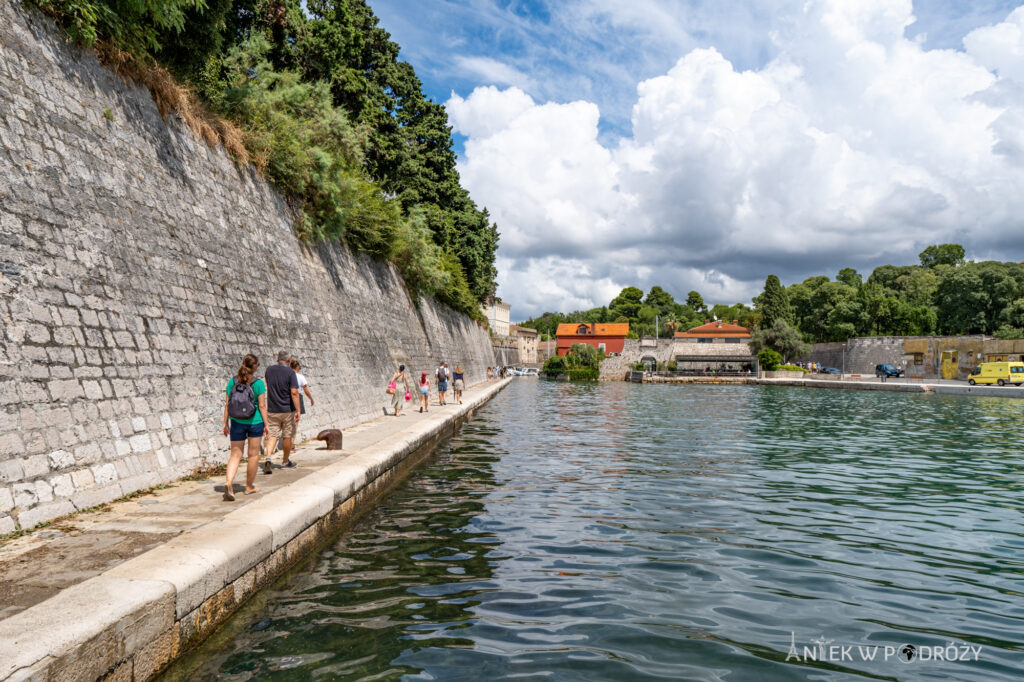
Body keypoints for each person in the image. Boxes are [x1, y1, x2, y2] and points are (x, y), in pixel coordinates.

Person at [221, 354, 268, 501]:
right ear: (255, 367)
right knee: (253, 455)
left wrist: (225, 423)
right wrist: (267, 424)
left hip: (236, 422)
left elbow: (227, 405)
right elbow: (261, 406)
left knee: (235, 455)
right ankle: (249, 487)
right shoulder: (258, 383)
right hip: (255, 422)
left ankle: (229, 483)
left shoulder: (232, 381)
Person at [263, 350, 300, 473]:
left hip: (273, 409)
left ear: (278, 359)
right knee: (287, 435)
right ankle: (285, 461)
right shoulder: (290, 372)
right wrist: (298, 410)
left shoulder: (269, 370)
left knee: (272, 435)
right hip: (287, 410)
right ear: (289, 361)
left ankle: (268, 457)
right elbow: (294, 392)